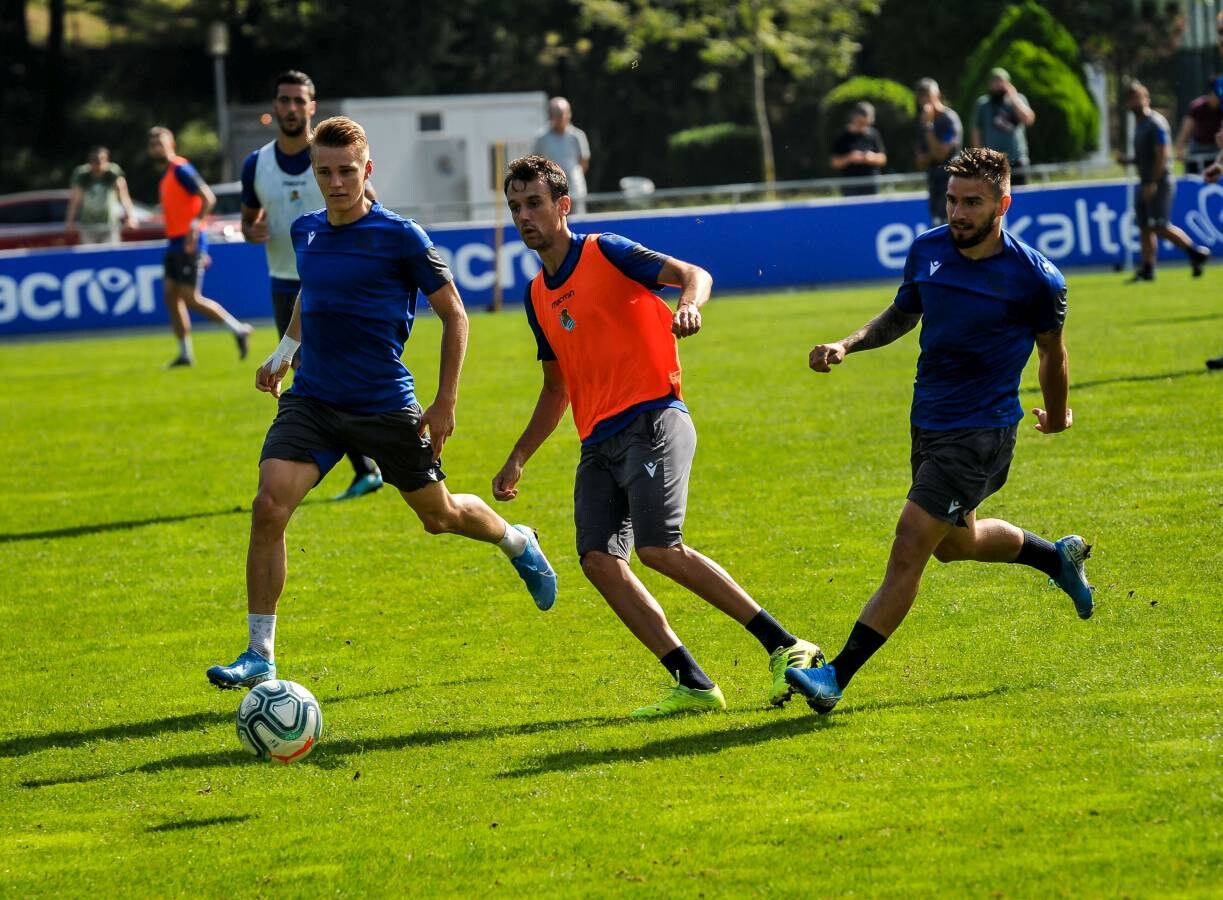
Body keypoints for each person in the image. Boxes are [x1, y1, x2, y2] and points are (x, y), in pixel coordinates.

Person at [207, 118, 557, 690]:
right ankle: (259, 655)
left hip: (382, 404)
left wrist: (445, 402)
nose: (336, 182)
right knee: (269, 506)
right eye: (325, 171)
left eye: (347, 170)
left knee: (439, 517)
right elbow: (310, 292)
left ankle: (517, 541)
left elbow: (455, 315)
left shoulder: (401, 236)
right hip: (314, 400)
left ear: (367, 171)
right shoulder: (307, 231)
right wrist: (285, 351)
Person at [493, 155, 822, 717]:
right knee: (598, 560)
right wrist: (519, 456)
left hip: (654, 417)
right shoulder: (535, 296)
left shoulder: (606, 251)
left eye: (534, 204)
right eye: (516, 207)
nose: (525, 217)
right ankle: (692, 682)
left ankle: (788, 646)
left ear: (563, 206)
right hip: (596, 442)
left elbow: (695, 274)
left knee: (657, 548)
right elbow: (556, 388)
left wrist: (689, 306)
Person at [787, 148, 1095, 716]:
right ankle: (1057, 559)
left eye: (972, 203)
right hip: (927, 420)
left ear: (1003, 203)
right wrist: (846, 344)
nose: (958, 212)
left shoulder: (1035, 277)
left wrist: (1057, 413)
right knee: (955, 545)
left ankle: (835, 677)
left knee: (910, 546)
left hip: (981, 432)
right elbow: (903, 313)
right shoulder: (928, 250)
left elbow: (1053, 355)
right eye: (952, 200)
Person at [240, 70, 384, 501]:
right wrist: (252, 231)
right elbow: (248, 221)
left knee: (321, 377)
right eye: (284, 100)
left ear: (311, 106)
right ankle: (361, 464)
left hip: (331, 284)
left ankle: (361, 465)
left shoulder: (329, 156)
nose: (290, 108)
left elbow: (371, 207)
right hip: (285, 284)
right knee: (311, 376)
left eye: (299, 101)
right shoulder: (256, 163)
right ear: (275, 105)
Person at [147, 126, 254, 367]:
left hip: (189, 241)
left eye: (160, 142)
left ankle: (238, 329)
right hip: (174, 242)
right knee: (170, 296)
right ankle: (185, 354)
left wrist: (195, 227)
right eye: (153, 144)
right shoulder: (166, 175)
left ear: (171, 143)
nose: (156, 147)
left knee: (190, 297)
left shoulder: (181, 169)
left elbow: (208, 197)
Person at [1122, 82, 1208, 283]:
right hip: (1144, 181)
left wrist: (1153, 182)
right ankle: (1147, 269)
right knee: (1144, 226)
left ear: (1147, 98)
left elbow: (1162, 154)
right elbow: (1144, 156)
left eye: (1138, 96)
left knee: (1159, 225)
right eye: (1131, 98)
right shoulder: (1140, 125)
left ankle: (1195, 253)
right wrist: (1128, 160)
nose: (1135, 101)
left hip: (1159, 182)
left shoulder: (1155, 123)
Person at [971, 67, 1035, 185]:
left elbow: (1028, 119)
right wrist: (980, 159)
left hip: (1018, 160)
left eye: (1000, 81)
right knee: (996, 200)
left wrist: (1013, 96)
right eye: (994, 81)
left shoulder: (1019, 99)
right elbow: (976, 131)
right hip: (993, 162)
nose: (997, 85)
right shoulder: (983, 104)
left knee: (1021, 198)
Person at [65, 146, 138, 245]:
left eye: (101, 159)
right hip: (88, 225)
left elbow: (124, 197)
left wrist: (130, 217)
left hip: (110, 225)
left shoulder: (113, 173)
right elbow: (75, 200)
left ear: (107, 160)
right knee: (90, 257)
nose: (98, 163)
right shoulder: (83, 175)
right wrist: (70, 221)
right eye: (94, 160)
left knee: (111, 257)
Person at [914, 78, 962, 227]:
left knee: (951, 224)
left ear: (938, 95)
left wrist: (929, 127)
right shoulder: (922, 122)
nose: (925, 101)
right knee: (937, 224)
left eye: (928, 95)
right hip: (934, 182)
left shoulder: (949, 119)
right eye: (921, 96)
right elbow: (920, 161)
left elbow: (941, 153)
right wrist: (932, 154)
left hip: (951, 182)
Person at [532, 97, 591, 215]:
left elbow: (584, 161)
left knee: (578, 223)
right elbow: (535, 162)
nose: (560, 118)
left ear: (569, 115)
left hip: (575, 190)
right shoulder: (541, 138)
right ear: (551, 116)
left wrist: (572, 177)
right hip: (550, 192)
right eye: (557, 114)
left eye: (562, 114)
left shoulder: (577, 136)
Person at [830, 102, 888, 196]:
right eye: (861, 123)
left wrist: (872, 157)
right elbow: (835, 162)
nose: (864, 126)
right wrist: (850, 158)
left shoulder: (874, 135)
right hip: (850, 185)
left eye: (867, 123)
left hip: (871, 183)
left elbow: (883, 159)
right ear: (854, 118)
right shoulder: (842, 137)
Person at [1172, 77, 1223, 175]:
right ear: (1211, 93)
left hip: (1217, 149)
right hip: (1198, 148)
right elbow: (1186, 130)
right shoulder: (1197, 107)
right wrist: (1179, 149)